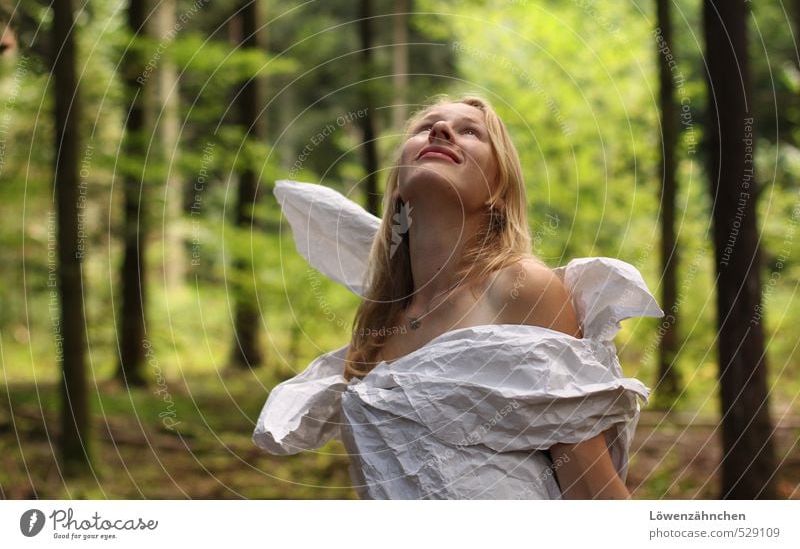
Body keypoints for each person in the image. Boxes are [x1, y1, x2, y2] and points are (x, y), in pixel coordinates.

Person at [253, 95, 664, 499]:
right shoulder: (378, 327)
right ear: (398, 186)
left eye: (471, 132)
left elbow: (590, 488)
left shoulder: (521, 289)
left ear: (498, 191)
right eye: (423, 127)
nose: (440, 129)